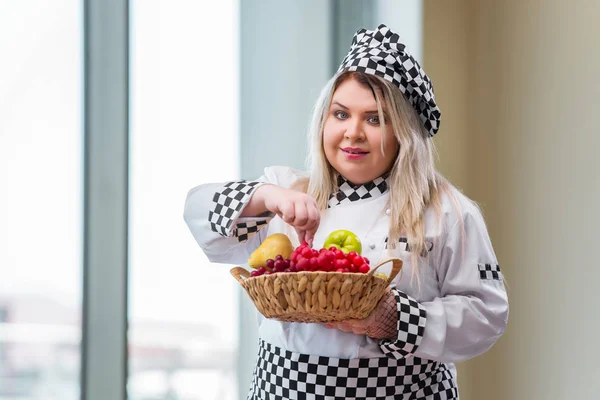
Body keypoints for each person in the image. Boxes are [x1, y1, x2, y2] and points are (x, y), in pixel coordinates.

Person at [184, 24, 508, 400]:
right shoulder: (286, 190)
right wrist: (263, 195)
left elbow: (487, 313)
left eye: (375, 119)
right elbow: (198, 214)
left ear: (404, 132)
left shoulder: (447, 212)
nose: (353, 132)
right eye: (341, 114)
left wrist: (397, 319)